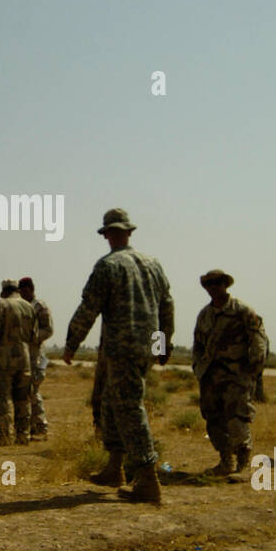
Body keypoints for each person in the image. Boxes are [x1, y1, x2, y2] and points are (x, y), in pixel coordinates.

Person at [63, 208, 173, 504]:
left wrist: (72, 342)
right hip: (144, 347)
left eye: (110, 232)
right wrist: (162, 346)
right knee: (112, 403)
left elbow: (89, 307)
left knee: (128, 408)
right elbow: (167, 306)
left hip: (121, 348)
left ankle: (148, 478)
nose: (110, 236)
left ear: (111, 234)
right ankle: (114, 468)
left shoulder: (108, 265)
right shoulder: (153, 265)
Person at [192, 269, 267, 477]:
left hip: (236, 374)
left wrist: (254, 367)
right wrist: (197, 367)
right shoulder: (205, 315)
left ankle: (242, 465)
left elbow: (258, 339)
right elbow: (198, 343)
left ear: (225, 284)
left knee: (237, 416)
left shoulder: (242, 310)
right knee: (213, 418)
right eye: (209, 284)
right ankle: (226, 461)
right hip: (210, 376)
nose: (213, 287)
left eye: (217, 282)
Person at [0, 279, 37, 445]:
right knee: (23, 398)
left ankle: (5, 436)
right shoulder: (29, 306)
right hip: (25, 357)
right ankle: (23, 435)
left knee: (3, 397)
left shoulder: (2, 305)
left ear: (4, 291)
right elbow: (34, 335)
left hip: (5, 357)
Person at [19, 276, 53, 437]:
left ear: (32, 290)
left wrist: (34, 337)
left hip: (36, 355)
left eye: (26, 290)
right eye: (21, 291)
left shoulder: (40, 307)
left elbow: (48, 330)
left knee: (33, 390)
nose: (24, 294)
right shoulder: (19, 306)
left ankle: (40, 426)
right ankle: (30, 426)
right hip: (22, 355)